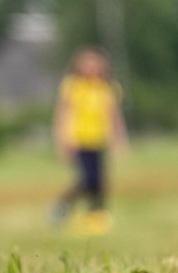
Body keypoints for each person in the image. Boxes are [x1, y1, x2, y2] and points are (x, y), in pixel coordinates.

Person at [51, 47, 128, 235]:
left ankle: (97, 215)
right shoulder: (73, 86)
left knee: (100, 180)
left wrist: (119, 139)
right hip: (79, 140)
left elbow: (114, 116)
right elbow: (63, 114)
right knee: (85, 179)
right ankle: (62, 208)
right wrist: (62, 139)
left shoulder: (108, 88)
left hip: (98, 139)